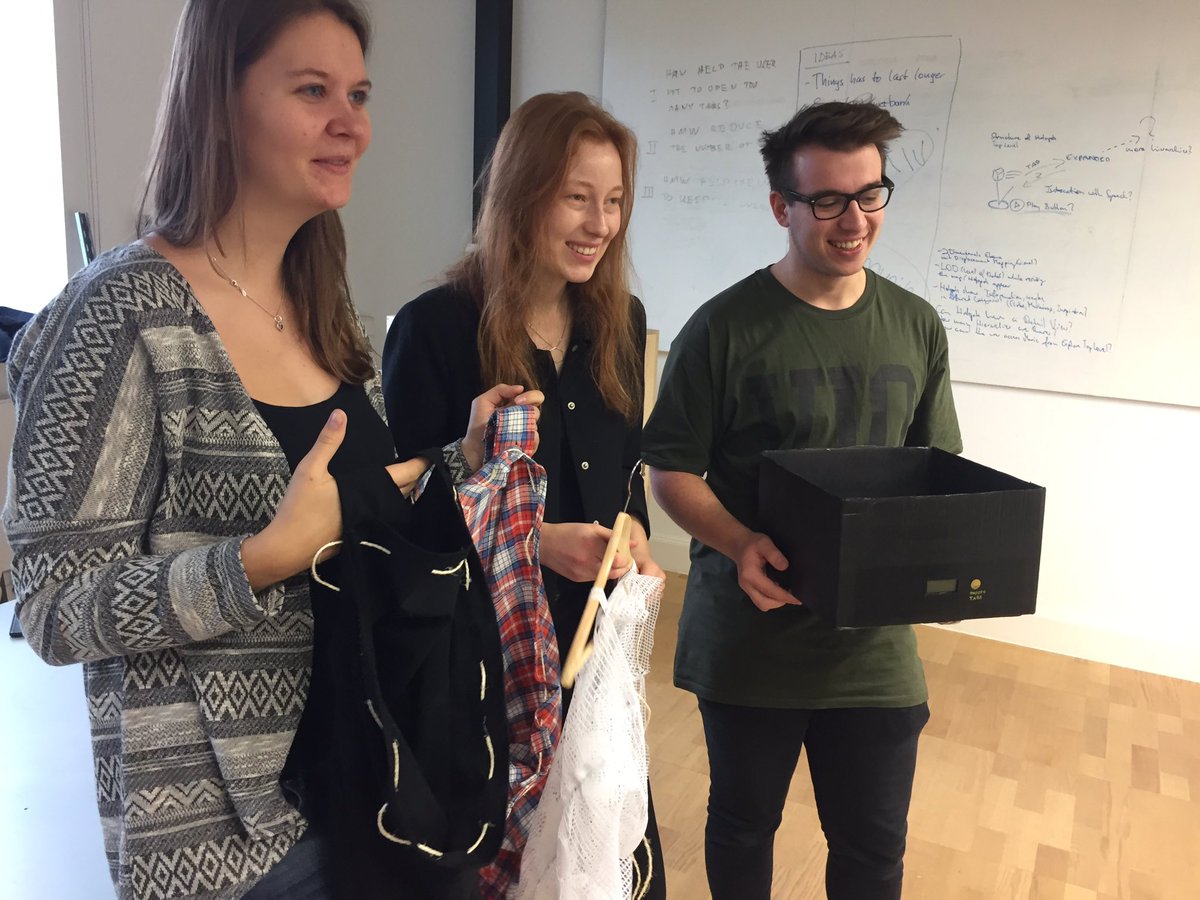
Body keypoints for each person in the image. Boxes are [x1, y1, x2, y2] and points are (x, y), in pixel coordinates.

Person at [3, 2, 539, 898]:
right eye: (313, 91)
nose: (352, 125)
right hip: (231, 840)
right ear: (219, 101)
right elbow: (55, 607)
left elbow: (345, 504)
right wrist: (258, 561)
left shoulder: (320, 301)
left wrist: (458, 458)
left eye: (358, 95)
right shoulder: (114, 315)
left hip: (375, 770)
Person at [641, 100, 963, 900]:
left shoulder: (917, 325)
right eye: (826, 200)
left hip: (874, 652)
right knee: (743, 826)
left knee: (873, 849)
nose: (854, 220)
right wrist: (739, 541)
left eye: (869, 194)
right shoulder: (722, 330)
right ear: (780, 206)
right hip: (751, 645)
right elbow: (671, 470)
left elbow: (936, 469)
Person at [381, 91, 668, 898]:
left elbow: (628, 472)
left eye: (614, 201)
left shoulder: (620, 322)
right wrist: (534, 543)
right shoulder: (435, 329)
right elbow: (403, 519)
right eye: (577, 197)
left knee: (603, 862)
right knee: (501, 867)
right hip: (483, 665)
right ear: (521, 194)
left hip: (594, 651)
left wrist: (635, 536)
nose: (599, 224)